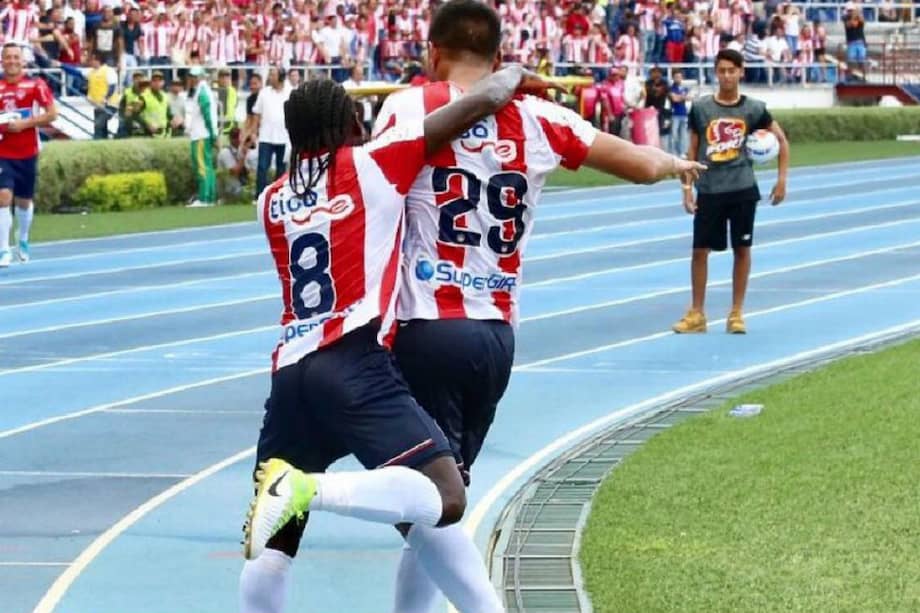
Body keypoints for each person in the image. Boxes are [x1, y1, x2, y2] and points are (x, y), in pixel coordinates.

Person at [370, 2, 705, 612]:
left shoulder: (408, 106)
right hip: (495, 335)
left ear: (432, 53)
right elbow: (637, 163)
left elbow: (374, 176)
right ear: (499, 59)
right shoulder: (542, 118)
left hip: (425, 326)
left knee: (429, 506)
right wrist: (677, 163)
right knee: (437, 504)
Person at [240, 66, 541, 613]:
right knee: (445, 496)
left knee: (274, 544)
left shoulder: (270, 200)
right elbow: (483, 100)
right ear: (350, 123)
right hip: (354, 362)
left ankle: (293, 492)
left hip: (290, 374)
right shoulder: (376, 162)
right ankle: (308, 489)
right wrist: (516, 73)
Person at [673, 48, 789, 335]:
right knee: (700, 251)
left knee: (742, 249)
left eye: (731, 70)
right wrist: (687, 187)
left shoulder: (754, 109)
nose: (726, 76)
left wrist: (782, 179)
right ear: (716, 72)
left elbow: (782, 141)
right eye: (721, 70)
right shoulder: (701, 109)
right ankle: (697, 313)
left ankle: (736, 312)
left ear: (740, 72)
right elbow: (691, 150)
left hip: (742, 189)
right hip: (709, 190)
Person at [0, 42, 57, 266]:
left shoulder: (35, 85)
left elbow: (52, 114)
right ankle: (3, 249)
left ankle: (22, 238)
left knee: (24, 201)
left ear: (23, 61)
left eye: (16, 57)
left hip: (27, 151)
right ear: (2, 61)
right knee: (3, 196)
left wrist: (25, 123)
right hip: (2, 152)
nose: (12, 61)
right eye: (8, 57)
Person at [252, 66, 291, 199]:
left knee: (281, 168)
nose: (270, 77)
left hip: (283, 137)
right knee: (262, 167)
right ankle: (260, 196)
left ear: (280, 77)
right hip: (266, 136)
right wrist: (254, 132)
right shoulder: (264, 92)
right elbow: (257, 114)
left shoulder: (290, 92)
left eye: (273, 75)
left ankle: (278, 196)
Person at [184, 66, 218, 208]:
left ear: (201, 77)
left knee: (202, 167)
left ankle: (204, 198)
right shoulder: (201, 91)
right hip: (203, 134)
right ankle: (209, 197)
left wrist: (212, 133)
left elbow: (207, 115)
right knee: (207, 166)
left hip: (200, 135)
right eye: (191, 76)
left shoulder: (202, 92)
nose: (192, 79)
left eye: (195, 76)